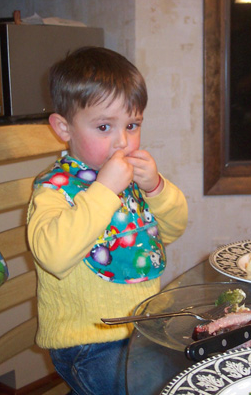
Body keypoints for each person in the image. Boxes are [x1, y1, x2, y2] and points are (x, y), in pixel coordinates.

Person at [27, 46, 188, 394]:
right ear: (64, 128)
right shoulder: (53, 191)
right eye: (104, 127)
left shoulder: (130, 179)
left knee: (192, 370)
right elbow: (54, 257)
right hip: (88, 342)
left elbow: (173, 229)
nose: (122, 143)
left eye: (132, 125)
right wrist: (104, 190)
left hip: (141, 328)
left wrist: (156, 188)